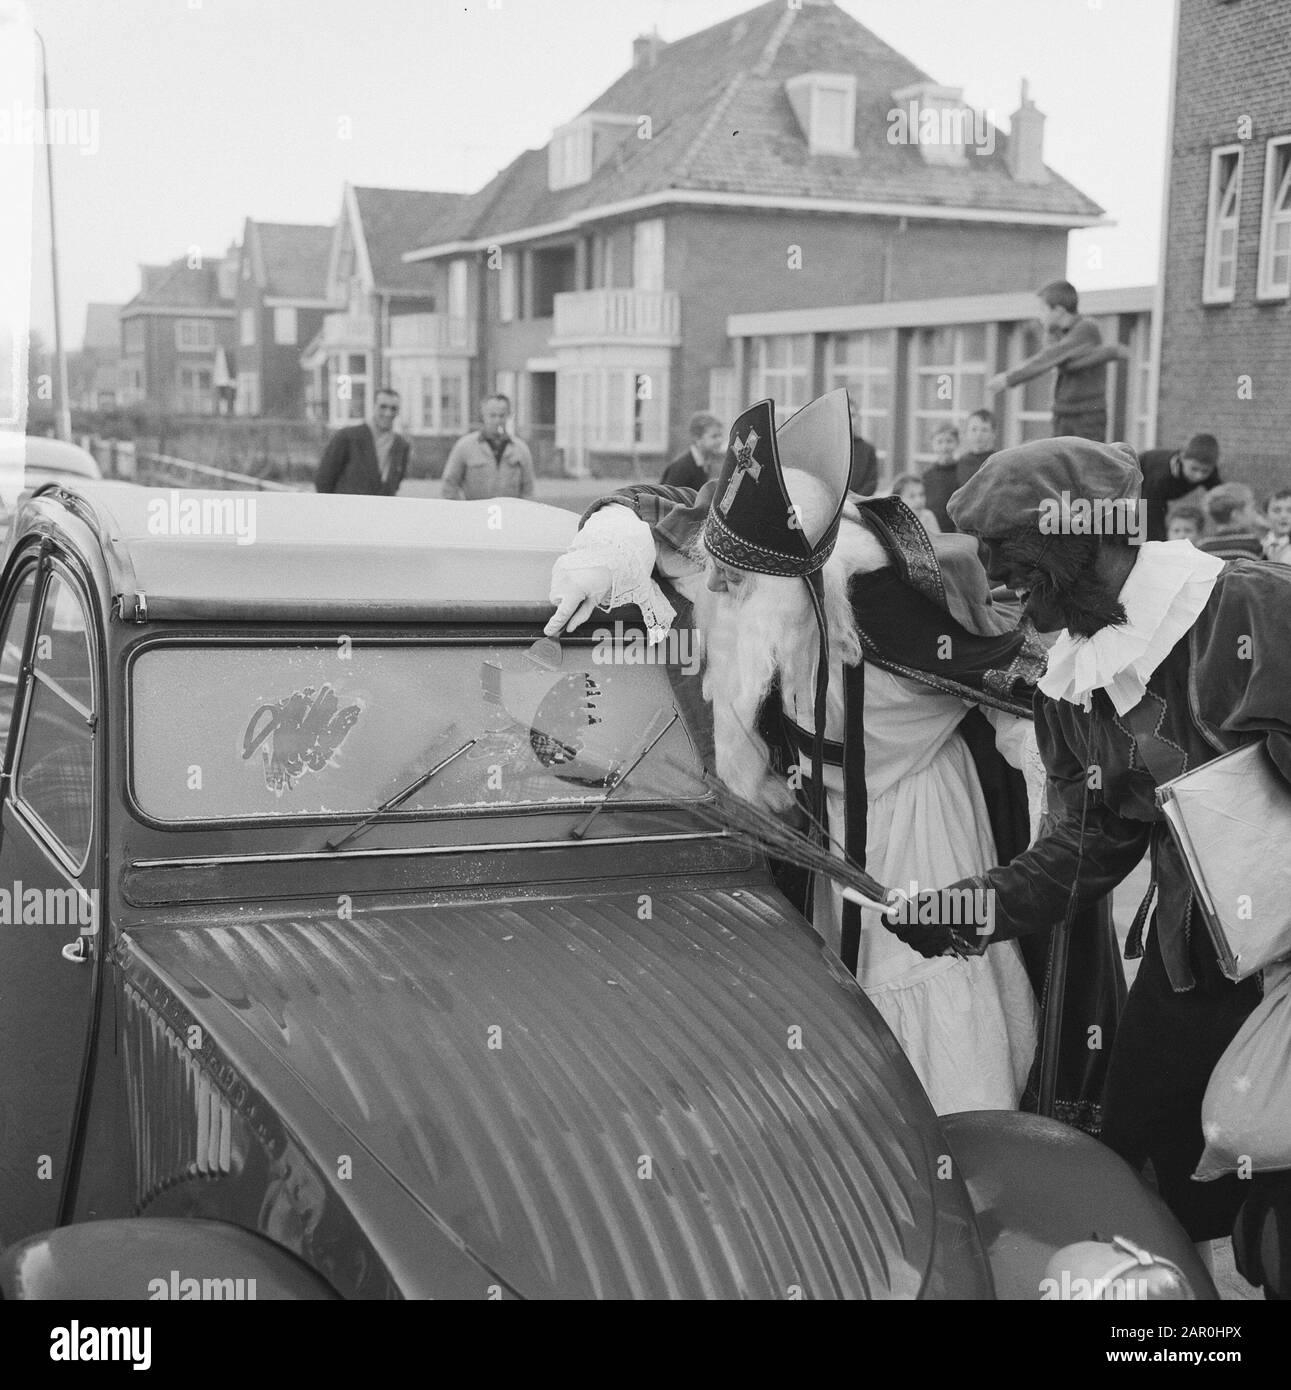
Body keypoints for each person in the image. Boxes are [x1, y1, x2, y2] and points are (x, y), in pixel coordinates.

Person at [543, 391, 1126, 1119]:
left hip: (918, 819)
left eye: (736, 574)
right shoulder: (747, 533)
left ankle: (955, 1152)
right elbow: (653, 506)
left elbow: (1024, 694)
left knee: (923, 997)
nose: (716, 581)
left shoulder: (888, 599)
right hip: (823, 829)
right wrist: (607, 544)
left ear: (800, 579)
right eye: (717, 561)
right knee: (828, 1008)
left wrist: (1048, 800)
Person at [887, 435, 1291, 1251]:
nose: (992, 574)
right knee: (1140, 1158)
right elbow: (1082, 847)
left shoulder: (1248, 606)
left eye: (1008, 549)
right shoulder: (1069, 686)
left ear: (1085, 536)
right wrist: (966, 909)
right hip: (1200, 955)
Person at [986, 280, 1129, 441]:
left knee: (1086, 463)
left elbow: (1049, 358)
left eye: (1043, 309)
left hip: (1087, 415)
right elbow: (1061, 362)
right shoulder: (1053, 334)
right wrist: (1105, 353)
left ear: (1059, 310)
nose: (1039, 315)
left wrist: (1009, 379)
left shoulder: (1086, 328)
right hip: (1062, 413)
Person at [315, 387, 409, 496]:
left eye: (393, 408)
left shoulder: (401, 445)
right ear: (373, 407)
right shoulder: (347, 437)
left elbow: (395, 483)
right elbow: (323, 480)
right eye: (383, 407)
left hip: (381, 510)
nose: (388, 413)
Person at [441, 394, 535, 501]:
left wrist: (519, 513)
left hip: (510, 515)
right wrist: (464, 510)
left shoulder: (521, 449)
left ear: (509, 416)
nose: (497, 420)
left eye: (502, 415)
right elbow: (449, 485)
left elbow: (528, 490)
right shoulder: (465, 446)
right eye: (492, 415)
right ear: (483, 416)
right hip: (476, 514)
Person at [1138, 434, 1223, 542]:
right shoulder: (1162, 476)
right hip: (1139, 479)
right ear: (1182, 458)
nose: (1199, 476)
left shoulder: (1211, 473)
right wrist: (1160, 543)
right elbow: (1152, 513)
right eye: (1194, 468)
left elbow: (1222, 500)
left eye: (1205, 471)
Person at [1197, 483, 1263, 560]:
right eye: (1252, 508)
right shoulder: (1254, 543)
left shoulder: (1203, 546)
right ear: (1235, 514)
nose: (1255, 512)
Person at [660, 412, 724, 489]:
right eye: (714, 436)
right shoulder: (681, 468)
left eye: (720, 435)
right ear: (697, 438)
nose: (720, 440)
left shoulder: (705, 464)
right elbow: (668, 497)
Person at [920, 423, 961, 532]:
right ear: (932, 444)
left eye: (949, 441)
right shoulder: (926, 476)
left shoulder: (962, 472)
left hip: (956, 532)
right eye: (939, 442)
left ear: (957, 443)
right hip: (932, 532)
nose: (944, 447)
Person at [955, 409, 998, 487]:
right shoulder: (962, 462)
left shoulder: (998, 462)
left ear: (993, 434)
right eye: (974, 429)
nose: (979, 434)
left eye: (984, 430)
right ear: (966, 432)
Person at [1262, 488, 1291, 564]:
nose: (1284, 516)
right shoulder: (1257, 545)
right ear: (1265, 515)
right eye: (1277, 510)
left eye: (1290, 510)